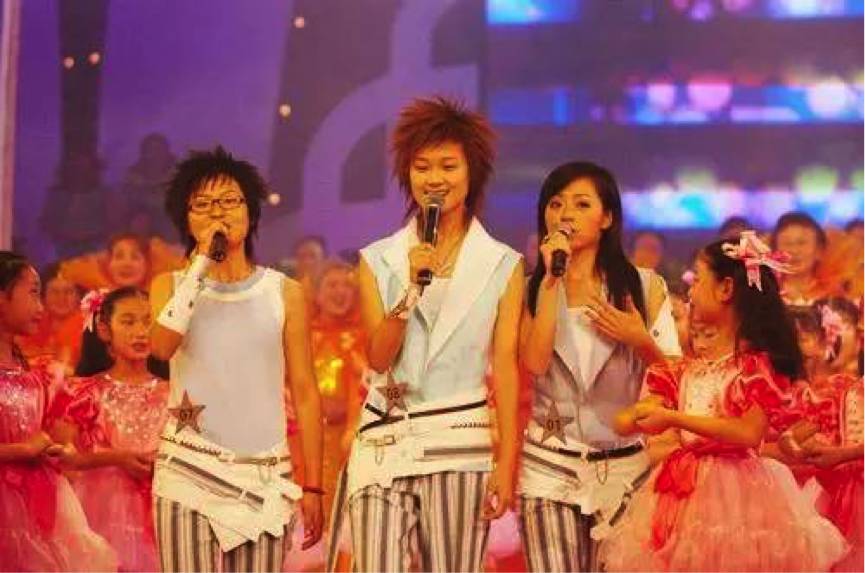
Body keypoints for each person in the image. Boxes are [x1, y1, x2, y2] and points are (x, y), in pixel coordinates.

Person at [339, 96, 524, 572]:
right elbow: (378, 358)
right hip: (384, 442)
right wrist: (408, 295)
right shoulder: (378, 259)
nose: (434, 178)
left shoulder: (503, 265)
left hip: (459, 444)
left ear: (472, 171)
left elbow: (506, 368)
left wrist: (506, 463)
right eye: (422, 167)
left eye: (448, 165)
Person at [600, 231, 848, 572]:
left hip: (738, 496)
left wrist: (673, 418)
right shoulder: (687, 369)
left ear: (726, 288)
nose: (691, 290)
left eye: (699, 280)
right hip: (682, 492)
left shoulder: (756, 368)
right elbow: (632, 419)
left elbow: (747, 433)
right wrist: (636, 415)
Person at [150, 146, 323, 571]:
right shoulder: (169, 285)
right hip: (187, 472)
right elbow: (160, 348)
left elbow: (305, 391)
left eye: (229, 200)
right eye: (202, 204)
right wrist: (200, 267)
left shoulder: (284, 292)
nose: (218, 212)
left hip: (262, 478)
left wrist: (314, 486)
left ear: (251, 212)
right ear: (186, 219)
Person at [517, 161, 681, 572]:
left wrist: (640, 339)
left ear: (607, 218)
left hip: (625, 470)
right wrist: (550, 282)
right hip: (550, 466)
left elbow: (678, 378)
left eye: (581, 204)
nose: (566, 215)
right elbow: (534, 362)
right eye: (556, 204)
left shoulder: (644, 286)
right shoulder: (529, 287)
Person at [0, 251, 117, 571]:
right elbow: (24, 442)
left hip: (37, 498)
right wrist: (22, 450)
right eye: (33, 293)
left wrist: (50, 450)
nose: (41, 306)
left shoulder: (30, 370)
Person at [55, 287, 169, 572]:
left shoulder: (174, 392)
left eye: (148, 322)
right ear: (105, 330)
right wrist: (116, 458)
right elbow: (62, 455)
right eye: (128, 322)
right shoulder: (84, 391)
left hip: (162, 509)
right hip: (101, 511)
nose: (141, 332)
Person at [17, 263, 84, 370]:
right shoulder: (27, 325)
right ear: (43, 296)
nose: (61, 298)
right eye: (54, 292)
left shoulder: (89, 331)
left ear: (79, 297)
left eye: (68, 292)